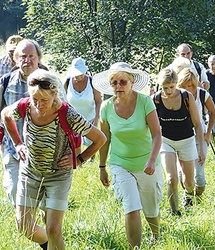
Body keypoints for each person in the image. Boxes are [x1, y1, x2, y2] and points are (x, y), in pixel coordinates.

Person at [1, 69, 106, 250]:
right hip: (30, 172)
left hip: (58, 175)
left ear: (55, 95)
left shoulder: (67, 114)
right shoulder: (25, 106)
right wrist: (18, 143)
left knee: (53, 228)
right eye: (35, 99)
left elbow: (100, 138)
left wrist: (79, 159)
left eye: (44, 100)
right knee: (24, 226)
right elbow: (6, 115)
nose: (39, 105)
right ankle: (48, 245)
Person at [93, 62, 163, 248]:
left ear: (132, 82)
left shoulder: (145, 102)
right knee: (131, 208)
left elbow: (157, 134)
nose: (118, 86)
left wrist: (152, 160)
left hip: (147, 162)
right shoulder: (106, 107)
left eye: (123, 82)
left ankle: (156, 236)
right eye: (114, 82)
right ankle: (136, 247)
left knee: (151, 207)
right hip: (120, 163)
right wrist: (102, 168)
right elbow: (104, 139)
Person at [0, 39, 66, 207]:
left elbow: (66, 116)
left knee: (44, 201)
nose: (27, 60)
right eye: (23, 56)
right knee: (14, 190)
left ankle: (44, 229)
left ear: (39, 58)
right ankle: (29, 228)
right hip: (13, 148)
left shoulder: (52, 83)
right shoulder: (6, 82)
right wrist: (12, 143)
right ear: (15, 59)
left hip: (45, 150)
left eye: (31, 56)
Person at [154, 68, 205, 215]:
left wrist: (201, 148)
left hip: (187, 140)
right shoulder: (156, 99)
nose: (169, 91)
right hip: (166, 141)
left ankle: (188, 195)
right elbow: (151, 126)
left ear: (176, 83)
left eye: (171, 87)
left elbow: (197, 124)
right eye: (165, 88)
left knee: (188, 181)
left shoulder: (186, 97)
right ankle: (174, 211)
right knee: (171, 178)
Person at [176, 68, 215, 204]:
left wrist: (208, 132)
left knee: (199, 172)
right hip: (181, 138)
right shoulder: (176, 96)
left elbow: (213, 112)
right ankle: (187, 196)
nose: (188, 88)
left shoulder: (202, 94)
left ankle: (198, 200)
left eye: (191, 85)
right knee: (182, 172)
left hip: (200, 137)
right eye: (184, 85)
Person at [64, 57, 102, 154]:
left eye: (80, 74)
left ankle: (91, 157)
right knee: (74, 141)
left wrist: (97, 118)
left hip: (89, 117)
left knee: (91, 141)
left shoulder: (92, 82)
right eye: (75, 74)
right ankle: (77, 160)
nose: (78, 77)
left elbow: (98, 101)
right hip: (72, 118)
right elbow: (62, 100)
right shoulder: (67, 82)